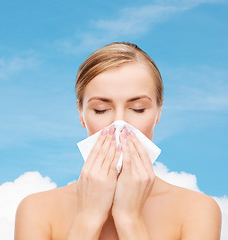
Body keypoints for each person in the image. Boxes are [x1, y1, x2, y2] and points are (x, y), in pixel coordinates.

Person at [14, 42, 222, 240]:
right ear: (81, 114)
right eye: (101, 110)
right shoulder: (36, 210)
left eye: (138, 109)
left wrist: (129, 219)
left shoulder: (197, 210)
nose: (119, 125)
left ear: (158, 112)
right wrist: (88, 218)